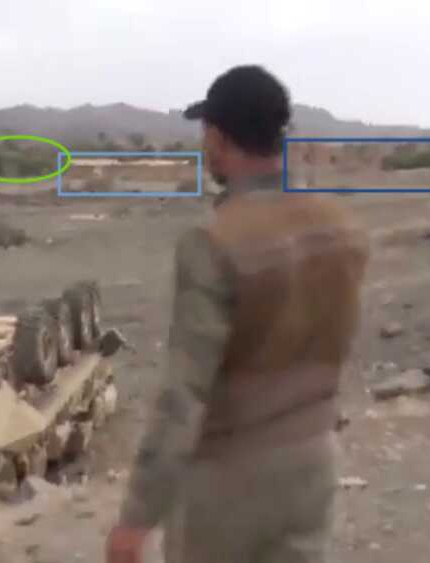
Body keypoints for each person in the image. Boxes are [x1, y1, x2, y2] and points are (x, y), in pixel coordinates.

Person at [105, 65, 370, 563]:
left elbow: (184, 396)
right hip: (314, 464)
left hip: (230, 482)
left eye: (206, 134)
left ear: (218, 138)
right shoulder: (341, 226)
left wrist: (137, 516)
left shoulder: (213, 242)